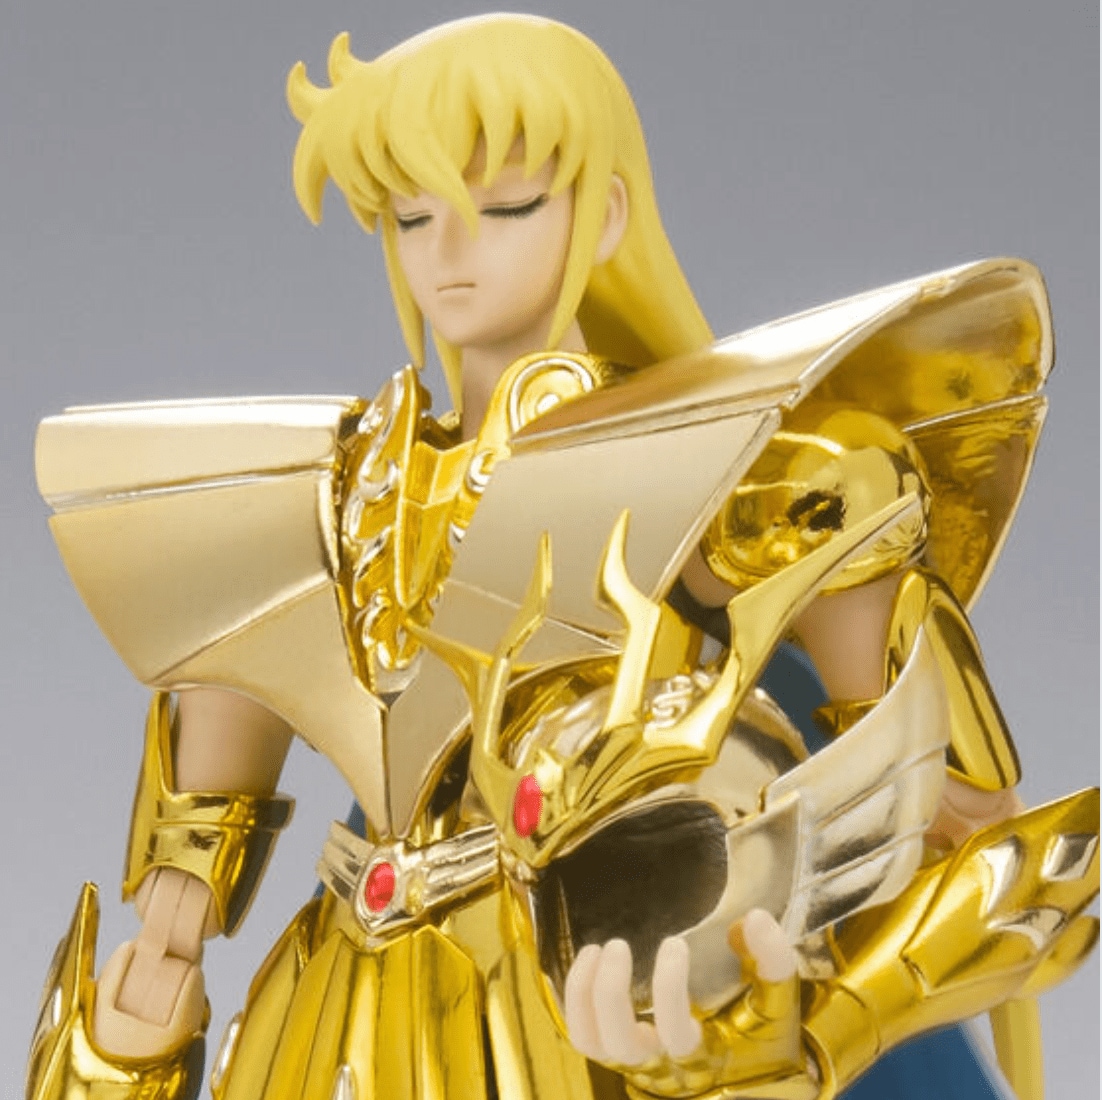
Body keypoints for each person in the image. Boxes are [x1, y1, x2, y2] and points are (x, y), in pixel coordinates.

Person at [25, 15, 1097, 1100]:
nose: (450, 253)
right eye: (414, 216)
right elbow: (208, 798)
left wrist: (816, 1034)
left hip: (613, 999)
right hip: (354, 1001)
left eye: (507, 207)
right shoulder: (339, 497)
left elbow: (970, 836)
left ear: (605, 214)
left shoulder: (744, 480)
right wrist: (150, 986)